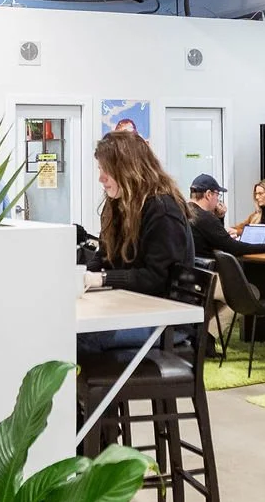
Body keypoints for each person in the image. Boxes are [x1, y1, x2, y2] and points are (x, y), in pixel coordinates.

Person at [80, 132, 193, 354]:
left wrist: (100, 279)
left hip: (166, 323)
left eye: (106, 170)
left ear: (128, 170)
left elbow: (156, 278)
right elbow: (105, 257)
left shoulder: (163, 211)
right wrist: (80, 278)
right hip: (133, 309)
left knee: (76, 338)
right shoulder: (119, 206)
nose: (101, 178)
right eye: (100, 170)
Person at [187, 174, 265, 262]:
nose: (218, 200)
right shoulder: (205, 217)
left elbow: (216, 240)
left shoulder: (185, 211)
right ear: (208, 194)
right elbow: (233, 248)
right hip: (207, 272)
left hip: (191, 269)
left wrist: (220, 218)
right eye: (217, 195)